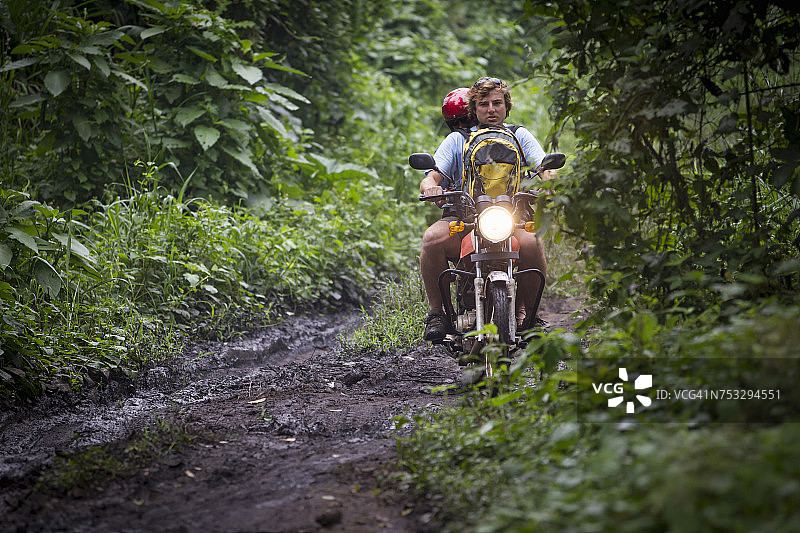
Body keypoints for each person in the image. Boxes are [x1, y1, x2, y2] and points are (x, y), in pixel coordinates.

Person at [419, 76, 551, 342]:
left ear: (506, 106)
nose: (491, 109)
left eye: (497, 103)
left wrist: (551, 184)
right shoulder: (458, 139)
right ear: (474, 109)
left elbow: (544, 168)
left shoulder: (519, 135)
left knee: (533, 243)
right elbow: (433, 175)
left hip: (513, 217)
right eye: (484, 104)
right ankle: (438, 313)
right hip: (465, 217)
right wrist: (429, 187)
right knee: (431, 239)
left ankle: (531, 315)